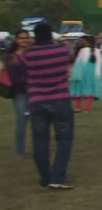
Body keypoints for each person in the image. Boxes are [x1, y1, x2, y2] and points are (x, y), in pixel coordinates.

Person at [22, 23, 74, 189]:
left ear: (34, 37)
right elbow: (70, 59)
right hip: (60, 98)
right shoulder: (62, 50)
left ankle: (45, 176)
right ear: (51, 35)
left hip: (37, 100)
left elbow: (17, 66)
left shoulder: (28, 54)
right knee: (64, 138)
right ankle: (58, 175)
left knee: (40, 140)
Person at [4, 30, 31, 161]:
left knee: (38, 123)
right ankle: (20, 151)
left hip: (35, 93)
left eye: (26, 38)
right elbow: (13, 78)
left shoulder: (33, 54)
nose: (24, 41)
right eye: (21, 38)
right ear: (16, 40)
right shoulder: (12, 57)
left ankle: (39, 148)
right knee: (21, 123)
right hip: (21, 94)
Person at [69, 35, 102, 113]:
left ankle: (77, 107)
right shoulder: (97, 51)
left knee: (78, 88)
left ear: (87, 42)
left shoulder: (82, 51)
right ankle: (86, 109)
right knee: (90, 90)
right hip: (92, 73)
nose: (81, 42)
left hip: (82, 72)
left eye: (82, 40)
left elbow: (78, 63)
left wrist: (74, 72)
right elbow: (99, 64)